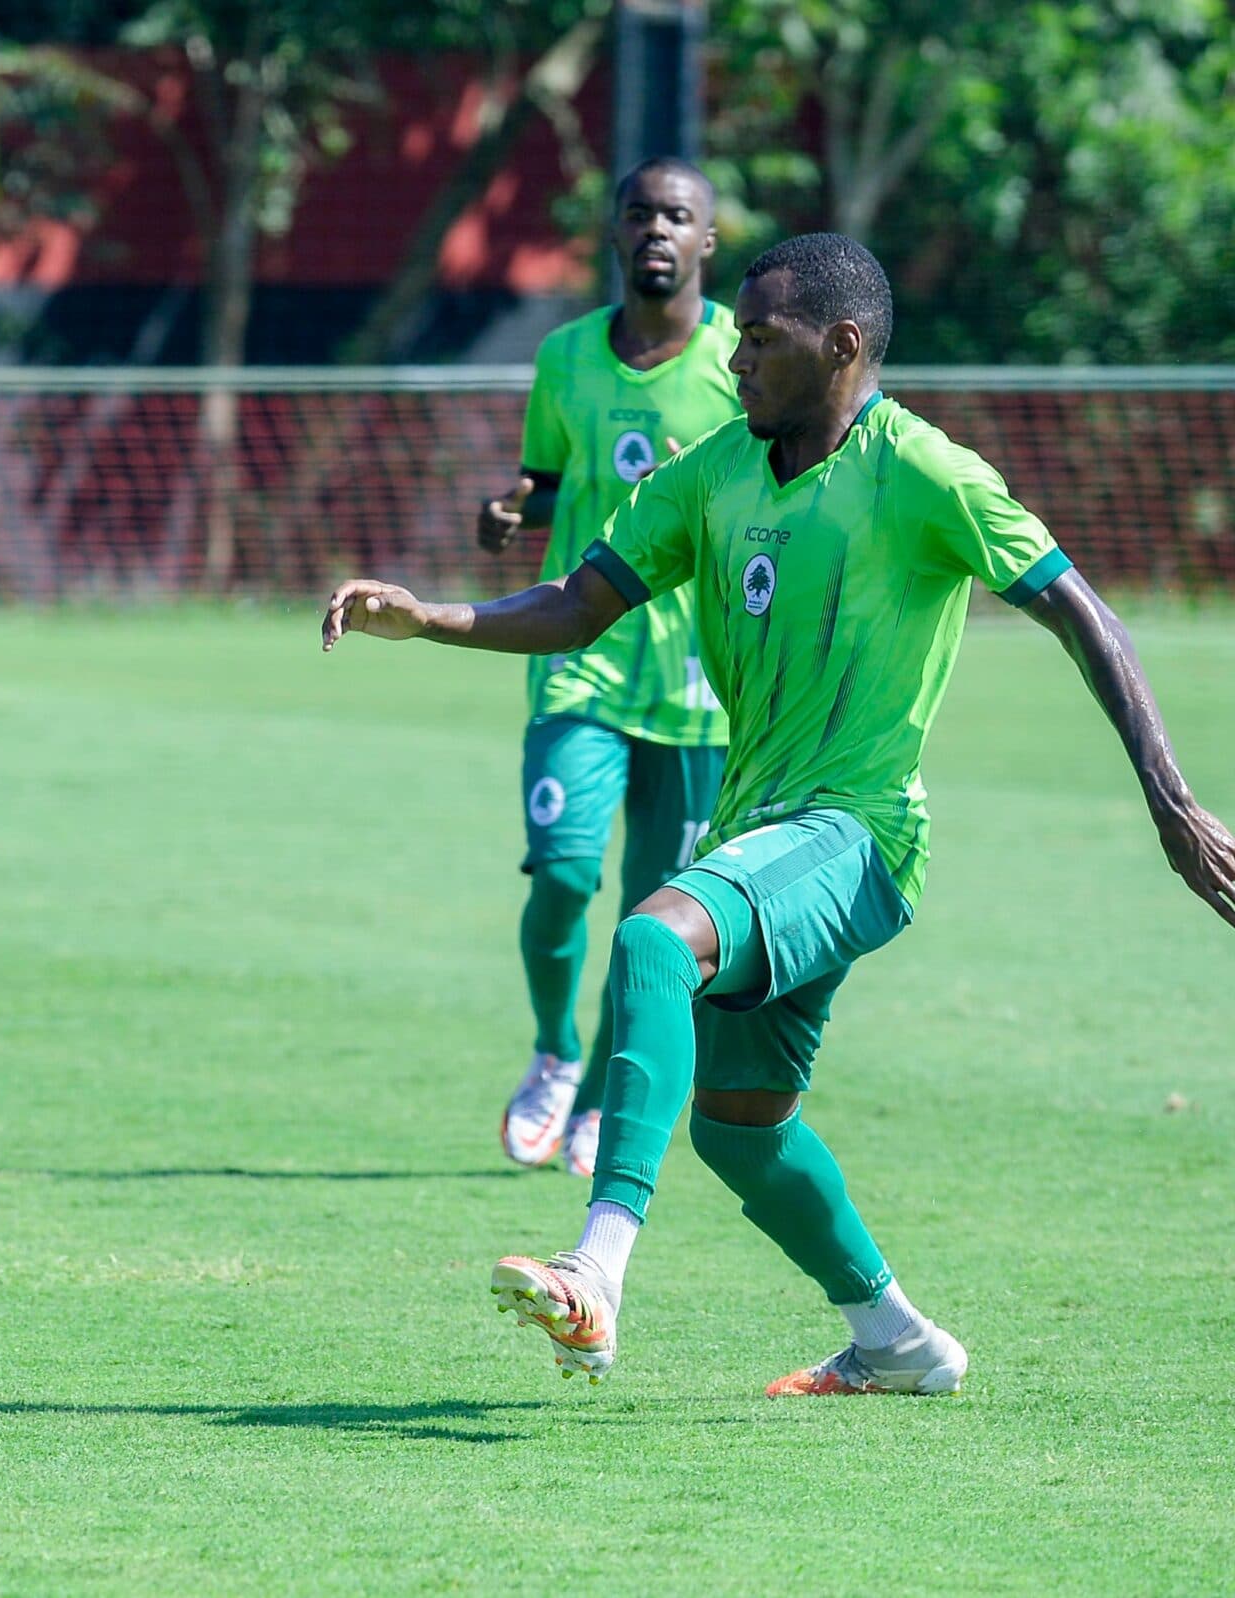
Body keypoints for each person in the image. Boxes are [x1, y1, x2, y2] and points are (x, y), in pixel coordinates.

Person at [324, 232, 1235, 1395]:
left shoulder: (927, 472)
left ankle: (597, 1269)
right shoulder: (713, 472)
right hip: (760, 830)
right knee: (738, 1126)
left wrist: (1172, 800)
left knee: (654, 935)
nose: (738, 357)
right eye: (740, 336)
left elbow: (1084, 614)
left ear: (843, 346)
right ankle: (898, 1341)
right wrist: (429, 617)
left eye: (763, 339)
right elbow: (576, 602)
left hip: (860, 834)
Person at [477, 158, 740, 1177]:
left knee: (654, 918)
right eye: (640, 213)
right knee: (563, 872)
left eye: (678, 215)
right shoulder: (565, 358)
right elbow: (551, 485)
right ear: (615, 232)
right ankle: (554, 1050)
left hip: (699, 677)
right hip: (579, 655)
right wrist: (515, 511)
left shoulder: (741, 359)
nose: (658, 230)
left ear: (707, 240)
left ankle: (595, 1104)